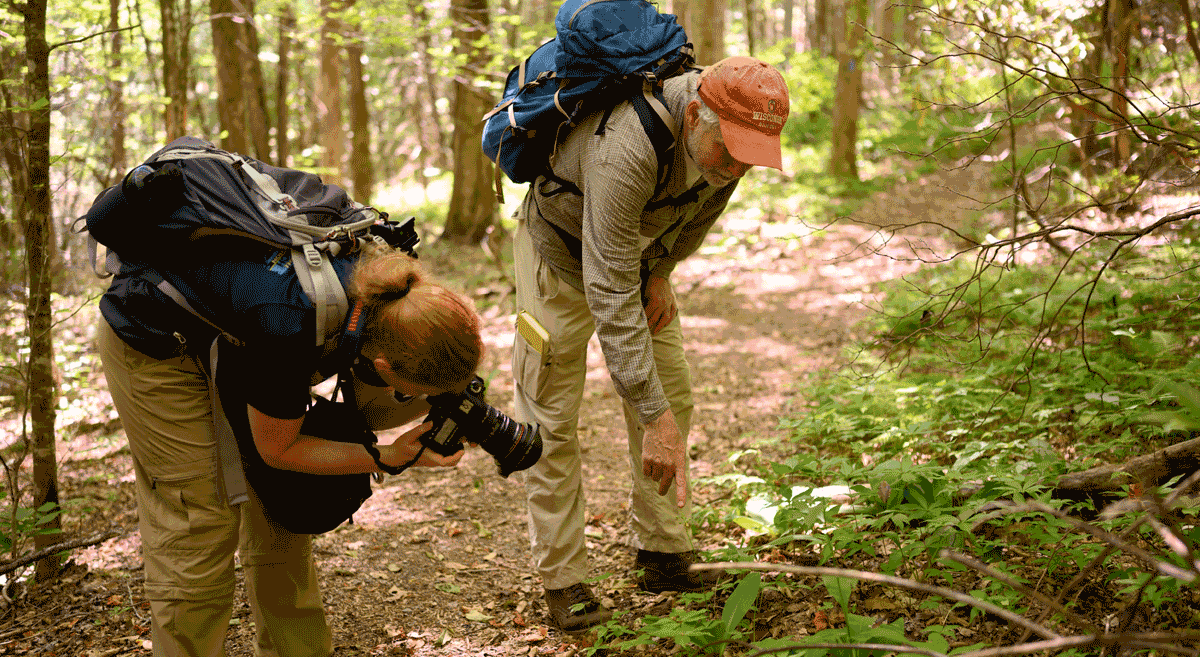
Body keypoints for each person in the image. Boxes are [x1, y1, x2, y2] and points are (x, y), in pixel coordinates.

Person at [510, 55, 790, 632]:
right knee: (551, 417)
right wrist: (649, 408)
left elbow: (692, 221)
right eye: (731, 151)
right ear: (694, 114)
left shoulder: (728, 151)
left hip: (635, 260)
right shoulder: (627, 146)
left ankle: (663, 550)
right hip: (559, 257)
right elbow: (606, 284)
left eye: (751, 156)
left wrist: (659, 269)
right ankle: (565, 579)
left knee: (673, 394)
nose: (739, 169)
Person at [98, 243, 483, 657]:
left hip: (239, 338)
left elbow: (367, 411)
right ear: (386, 366)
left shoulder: (390, 300)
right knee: (201, 522)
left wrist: (446, 403)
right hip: (156, 338)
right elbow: (278, 449)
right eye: (419, 390)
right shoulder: (291, 326)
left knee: (283, 499)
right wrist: (385, 457)